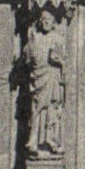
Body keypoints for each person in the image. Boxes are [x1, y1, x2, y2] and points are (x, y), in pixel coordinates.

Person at [24, 10, 66, 155]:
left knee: (52, 108)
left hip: (52, 76)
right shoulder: (36, 38)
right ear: (40, 22)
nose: (46, 22)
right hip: (39, 78)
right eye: (44, 19)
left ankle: (51, 140)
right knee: (36, 109)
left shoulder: (58, 39)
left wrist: (59, 61)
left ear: (54, 22)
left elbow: (63, 60)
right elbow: (28, 60)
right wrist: (30, 44)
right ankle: (33, 141)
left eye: (49, 20)